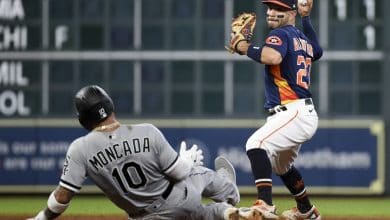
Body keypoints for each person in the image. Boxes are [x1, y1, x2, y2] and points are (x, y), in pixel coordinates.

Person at [27, 85, 256, 220]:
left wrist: (42, 218)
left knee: (199, 214)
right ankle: (231, 201)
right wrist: (185, 161)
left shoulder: (80, 149)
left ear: (83, 119)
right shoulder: (147, 131)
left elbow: (62, 197)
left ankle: (225, 212)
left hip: (145, 217)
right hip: (178, 198)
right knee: (198, 173)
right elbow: (177, 173)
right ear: (110, 104)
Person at [233, 0, 323, 219]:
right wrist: (306, 18)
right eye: (270, 8)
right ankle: (307, 210)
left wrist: (245, 47)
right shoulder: (301, 38)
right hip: (297, 112)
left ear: (290, 12)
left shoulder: (281, 35)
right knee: (282, 167)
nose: (271, 13)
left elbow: (272, 56)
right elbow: (317, 50)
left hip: (293, 111)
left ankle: (265, 204)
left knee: (256, 144)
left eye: (279, 9)